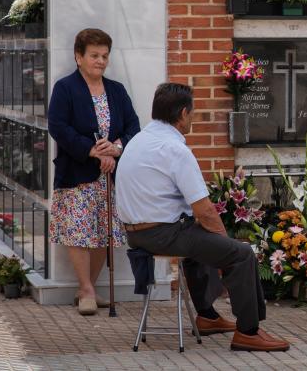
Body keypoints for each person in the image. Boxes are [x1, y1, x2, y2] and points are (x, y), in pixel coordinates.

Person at [116, 83, 290, 352]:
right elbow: (204, 209)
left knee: (199, 236)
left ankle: (207, 316)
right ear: (184, 113)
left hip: (136, 233)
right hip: (163, 234)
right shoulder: (175, 150)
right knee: (241, 253)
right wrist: (225, 245)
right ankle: (249, 332)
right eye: (193, 112)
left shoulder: (138, 140)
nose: (193, 116)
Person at [47, 28, 140, 316]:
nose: (100, 61)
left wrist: (116, 149)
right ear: (79, 57)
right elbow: (58, 126)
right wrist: (91, 150)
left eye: (105, 56)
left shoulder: (117, 90)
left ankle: (89, 287)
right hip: (78, 173)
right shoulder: (65, 88)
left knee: (104, 233)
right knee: (79, 231)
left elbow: (133, 126)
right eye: (94, 55)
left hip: (110, 176)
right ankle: (85, 289)